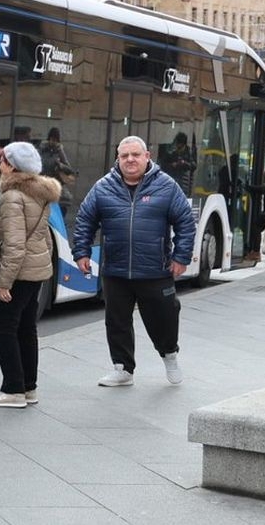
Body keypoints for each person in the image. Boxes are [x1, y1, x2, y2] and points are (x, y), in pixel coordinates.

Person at [72, 135, 195, 387]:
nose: (130, 159)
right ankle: (123, 368)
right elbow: (85, 219)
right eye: (124, 155)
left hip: (155, 270)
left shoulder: (166, 186)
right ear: (117, 159)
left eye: (135, 155)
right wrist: (81, 252)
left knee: (165, 317)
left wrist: (181, 257)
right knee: (117, 321)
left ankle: (169, 354)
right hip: (115, 271)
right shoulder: (103, 187)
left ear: (147, 156)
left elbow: (185, 222)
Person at [0, 141, 61, 408]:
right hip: (35, 270)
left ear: (12, 166)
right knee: (26, 328)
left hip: (19, 273)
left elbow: (15, 245)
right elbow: (44, 238)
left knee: (2, 326)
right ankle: (28, 388)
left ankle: (13, 389)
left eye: (2, 160)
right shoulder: (39, 193)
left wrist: (4, 281)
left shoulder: (13, 196)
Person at [160, 131, 196, 196]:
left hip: (185, 185)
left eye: (180, 147)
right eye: (177, 146)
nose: (178, 149)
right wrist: (172, 165)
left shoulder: (189, 153)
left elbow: (194, 166)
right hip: (172, 182)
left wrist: (184, 163)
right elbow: (163, 165)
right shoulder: (171, 152)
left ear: (184, 145)